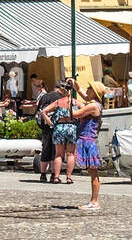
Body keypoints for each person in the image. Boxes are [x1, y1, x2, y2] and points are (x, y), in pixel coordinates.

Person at [72, 79, 105, 210]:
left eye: (89, 88)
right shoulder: (93, 103)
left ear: (95, 93)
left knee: (93, 171)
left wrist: (65, 104)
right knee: (91, 171)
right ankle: (93, 200)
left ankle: (95, 201)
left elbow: (75, 114)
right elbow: (84, 96)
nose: (87, 90)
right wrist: (76, 87)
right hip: (87, 140)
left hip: (89, 141)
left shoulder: (93, 106)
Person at [41, 82, 78, 184]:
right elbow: (84, 111)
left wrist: (50, 122)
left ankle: (56, 177)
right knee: (70, 154)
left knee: (58, 154)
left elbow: (43, 111)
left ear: (62, 91)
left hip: (59, 127)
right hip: (71, 127)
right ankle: (69, 178)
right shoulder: (74, 102)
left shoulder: (57, 102)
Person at [34, 78, 62, 182]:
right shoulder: (60, 97)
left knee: (45, 150)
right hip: (56, 126)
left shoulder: (44, 96)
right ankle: (54, 174)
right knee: (56, 152)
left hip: (45, 126)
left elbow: (38, 111)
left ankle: (43, 175)